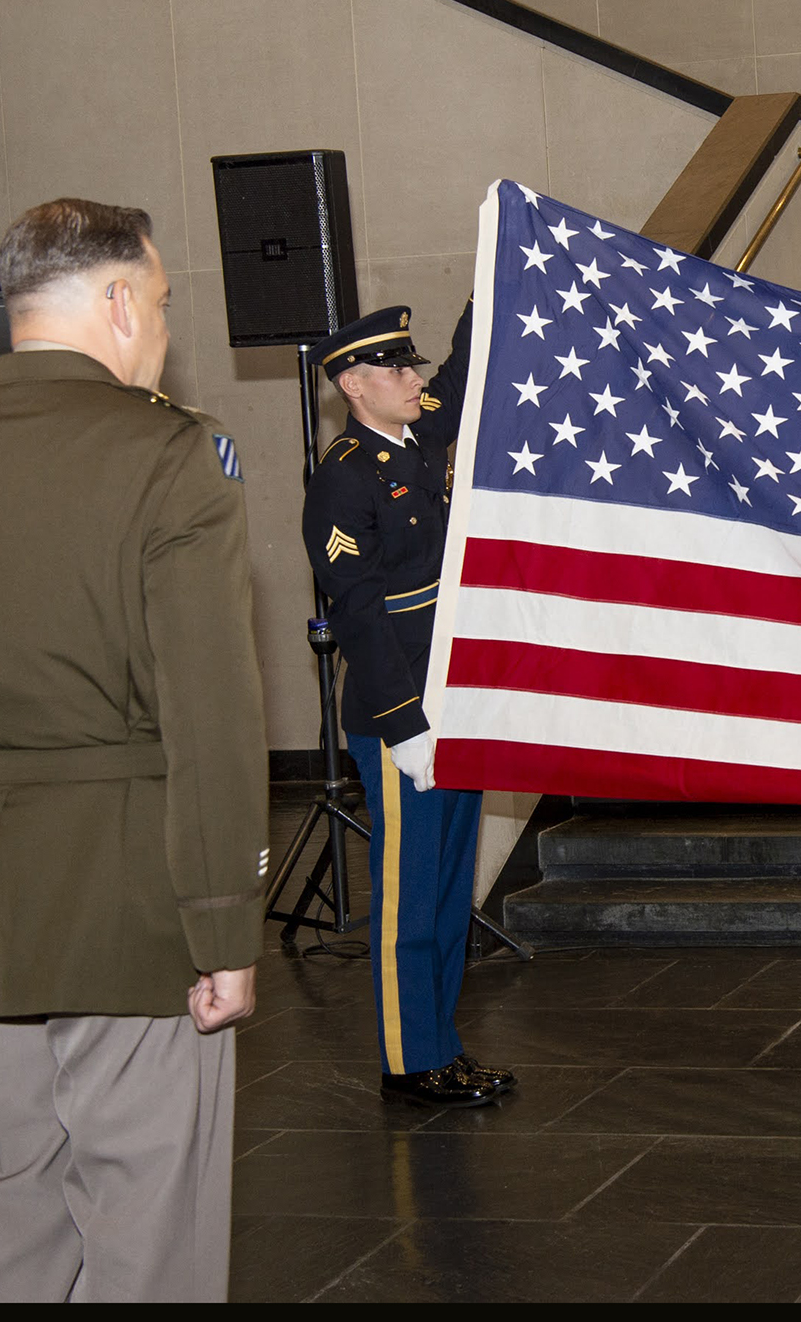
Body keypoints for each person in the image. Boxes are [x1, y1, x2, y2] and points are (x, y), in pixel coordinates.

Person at [0, 198, 269, 1299]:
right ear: (112, 300)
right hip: (130, 896)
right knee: (150, 1221)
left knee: (6, 1212)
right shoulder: (167, 456)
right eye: (155, 300)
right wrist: (221, 921)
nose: (157, 325)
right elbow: (211, 711)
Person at [300, 303, 514, 1109]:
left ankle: (442, 1044)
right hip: (405, 718)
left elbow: (459, 377)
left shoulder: (418, 437)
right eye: (399, 370)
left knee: (451, 887)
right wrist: (404, 722)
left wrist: (491, 284)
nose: (416, 380)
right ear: (356, 385)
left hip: (453, 703)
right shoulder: (346, 476)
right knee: (409, 892)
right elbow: (356, 608)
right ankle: (408, 1058)